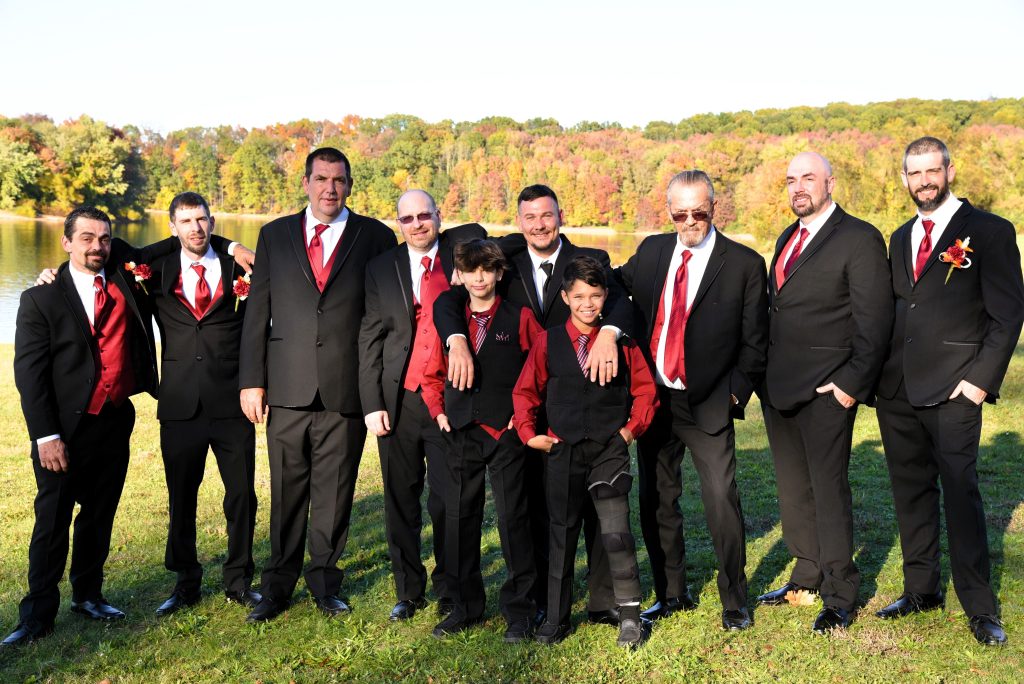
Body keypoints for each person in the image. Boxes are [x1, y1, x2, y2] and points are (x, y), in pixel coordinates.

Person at [434, 184, 632, 627]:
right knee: (528, 508)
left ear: (560, 215)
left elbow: (618, 303)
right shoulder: (504, 257)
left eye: (546, 215)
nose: (539, 224)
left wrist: (609, 332)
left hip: (575, 402)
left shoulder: (591, 261)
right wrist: (458, 337)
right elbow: (451, 295)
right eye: (530, 217)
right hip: (517, 406)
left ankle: (603, 600)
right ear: (519, 221)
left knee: (591, 506)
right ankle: (539, 596)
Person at [874, 137, 1024, 646]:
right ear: (904, 179)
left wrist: (979, 382)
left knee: (960, 495)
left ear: (950, 170)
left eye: (932, 170)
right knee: (911, 494)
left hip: (957, 388)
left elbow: (1007, 317)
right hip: (898, 391)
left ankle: (979, 607)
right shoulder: (899, 238)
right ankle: (921, 590)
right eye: (914, 173)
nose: (924, 181)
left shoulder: (989, 232)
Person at [239, 147, 397, 622]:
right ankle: (277, 586)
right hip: (286, 387)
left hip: (346, 387)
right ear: (305, 182)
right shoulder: (275, 235)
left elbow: (388, 310)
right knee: (287, 490)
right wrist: (251, 381)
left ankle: (326, 583)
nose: (331, 188)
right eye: (322, 179)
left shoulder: (376, 236)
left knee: (334, 492)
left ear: (350, 185)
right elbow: (256, 311)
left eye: (340, 180)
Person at [615, 170, 768, 631]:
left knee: (721, 497)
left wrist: (733, 396)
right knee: (657, 498)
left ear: (714, 208)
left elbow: (756, 344)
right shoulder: (653, 251)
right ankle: (672, 593)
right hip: (656, 400)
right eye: (679, 213)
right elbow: (605, 284)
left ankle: (735, 600)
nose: (688, 222)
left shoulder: (743, 263)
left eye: (697, 212)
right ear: (669, 212)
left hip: (708, 403)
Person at [5, 207, 163, 647]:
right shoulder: (41, 297)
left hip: (114, 421)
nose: (97, 246)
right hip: (63, 428)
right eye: (88, 238)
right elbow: (30, 374)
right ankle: (37, 615)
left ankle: (88, 596)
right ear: (67, 242)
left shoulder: (127, 277)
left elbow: (173, 244)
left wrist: (233, 246)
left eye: (105, 238)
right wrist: (46, 436)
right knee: (52, 520)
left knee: (99, 515)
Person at [757, 152, 893, 635]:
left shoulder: (859, 238)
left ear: (830, 182)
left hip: (827, 390)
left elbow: (875, 322)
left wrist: (850, 385)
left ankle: (840, 593)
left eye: (808, 178)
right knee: (794, 489)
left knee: (829, 491)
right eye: (791, 179)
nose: (799, 187)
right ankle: (806, 576)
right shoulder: (786, 237)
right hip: (779, 388)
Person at [513, 256, 658, 649]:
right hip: (562, 450)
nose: (588, 304)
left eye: (595, 296)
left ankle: (625, 613)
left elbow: (646, 390)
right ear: (565, 297)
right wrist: (529, 434)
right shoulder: (547, 341)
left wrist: (629, 432)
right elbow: (526, 391)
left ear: (605, 296)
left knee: (615, 534)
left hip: (609, 448)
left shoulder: (621, 341)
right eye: (578, 296)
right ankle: (556, 619)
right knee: (562, 535)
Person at [357, 190, 485, 621]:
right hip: (399, 398)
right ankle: (407, 590)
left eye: (424, 216)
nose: (417, 225)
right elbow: (370, 338)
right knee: (401, 498)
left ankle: (449, 586)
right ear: (398, 223)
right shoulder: (381, 267)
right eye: (407, 218)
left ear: (439, 216)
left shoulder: (460, 252)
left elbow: (482, 234)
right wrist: (372, 403)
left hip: (450, 395)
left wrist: (451, 246)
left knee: (449, 498)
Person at [144, 192, 260, 616]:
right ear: (173, 225)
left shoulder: (238, 268)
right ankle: (185, 582)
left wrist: (231, 248)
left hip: (231, 401)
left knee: (242, 495)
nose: (195, 228)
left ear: (213, 221)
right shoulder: (154, 270)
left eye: (202, 220)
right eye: (185, 221)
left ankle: (239, 580)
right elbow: (124, 253)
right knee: (182, 497)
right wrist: (229, 240)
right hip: (179, 404)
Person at [420, 239, 542, 641]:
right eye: (471, 270)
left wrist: (521, 417)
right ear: (460, 274)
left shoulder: (519, 316)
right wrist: (438, 410)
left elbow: (540, 369)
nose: (479, 278)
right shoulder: (452, 318)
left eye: (486, 270)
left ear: (498, 273)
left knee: (514, 520)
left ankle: (520, 611)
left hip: (504, 433)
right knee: (458, 519)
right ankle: (463, 605)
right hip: (457, 430)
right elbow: (431, 370)